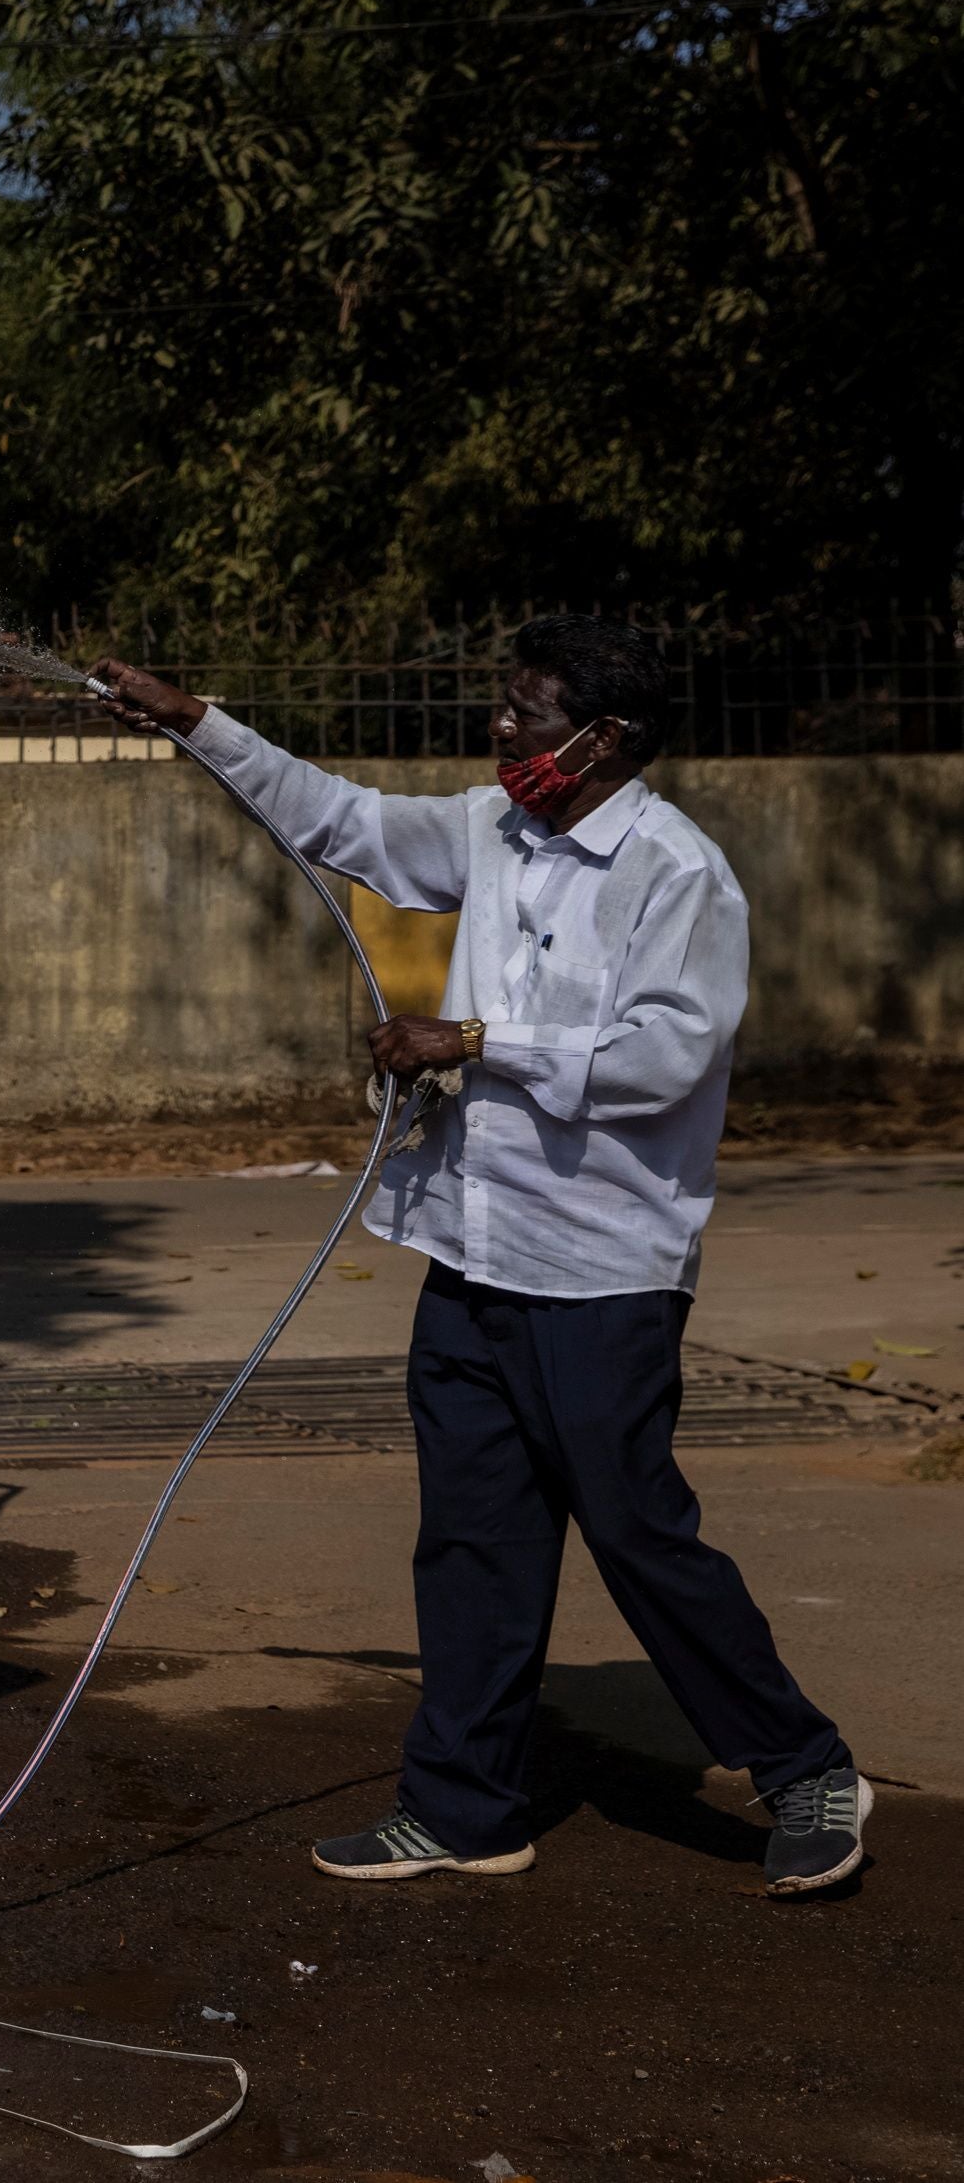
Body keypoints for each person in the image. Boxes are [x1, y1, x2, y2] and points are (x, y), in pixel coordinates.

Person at [92, 618, 867, 1898]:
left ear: (601, 737)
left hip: (601, 1269)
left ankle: (802, 1766)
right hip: (472, 1252)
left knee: (635, 1532)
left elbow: (668, 1056)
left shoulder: (674, 871)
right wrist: (191, 720)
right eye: (501, 704)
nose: (499, 727)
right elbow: (334, 821)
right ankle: (462, 1807)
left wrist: (473, 1039)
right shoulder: (486, 833)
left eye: (526, 708)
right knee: (468, 1537)